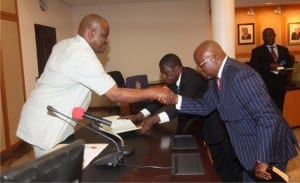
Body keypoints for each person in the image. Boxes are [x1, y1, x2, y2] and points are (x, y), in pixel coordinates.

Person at [16, 14, 172, 158]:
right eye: (104, 35)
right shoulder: (81, 55)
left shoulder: (65, 45)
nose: (107, 40)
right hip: (47, 123)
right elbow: (115, 94)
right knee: (52, 173)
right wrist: (154, 91)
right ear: (90, 33)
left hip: (40, 114)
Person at [167, 40, 298, 182]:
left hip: (266, 149)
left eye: (201, 64)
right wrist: (175, 99)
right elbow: (205, 106)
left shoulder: (241, 76)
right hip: (248, 150)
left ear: (215, 58)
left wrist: (263, 158)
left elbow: (267, 118)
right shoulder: (215, 79)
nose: (199, 69)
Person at [126, 53, 242, 181]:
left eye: (167, 73)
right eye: (162, 73)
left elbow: (179, 107)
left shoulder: (192, 79)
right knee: (215, 163)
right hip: (196, 122)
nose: (164, 77)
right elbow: (160, 100)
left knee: (225, 163)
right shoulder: (173, 78)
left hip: (215, 124)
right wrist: (141, 114)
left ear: (177, 69)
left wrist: (154, 119)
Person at [250, 27, 293, 112]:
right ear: (263, 38)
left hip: (280, 87)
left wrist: (285, 71)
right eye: (265, 36)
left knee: (280, 111)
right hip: (265, 88)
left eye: (270, 35)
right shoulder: (257, 51)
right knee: (268, 112)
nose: (268, 37)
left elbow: (289, 65)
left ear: (274, 35)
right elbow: (254, 68)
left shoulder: (283, 50)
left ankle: (280, 125)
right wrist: (269, 66)